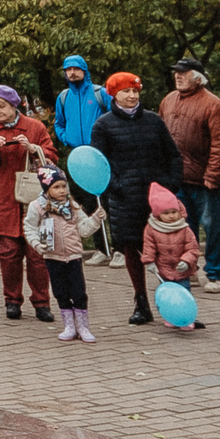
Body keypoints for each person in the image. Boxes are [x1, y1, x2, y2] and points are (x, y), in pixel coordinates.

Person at [87, 73, 181, 325]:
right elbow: (98, 165)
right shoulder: (103, 125)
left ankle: (173, 302)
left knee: (166, 248)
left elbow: (172, 155)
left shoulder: (153, 121)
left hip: (157, 198)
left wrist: (170, 185)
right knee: (132, 249)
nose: (132, 96)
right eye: (126, 91)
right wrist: (116, 187)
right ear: (113, 95)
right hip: (125, 198)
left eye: (135, 91)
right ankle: (141, 303)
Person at [0, 85, 53, 321]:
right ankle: (12, 301)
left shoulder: (35, 127)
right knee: (8, 253)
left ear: (14, 105)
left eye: (1, 107)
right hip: (2, 197)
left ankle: (42, 303)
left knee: (37, 254)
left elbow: (52, 157)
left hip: (33, 200)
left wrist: (34, 149)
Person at [160, 59, 220, 291]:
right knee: (182, 228)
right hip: (177, 179)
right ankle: (188, 269)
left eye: (184, 73)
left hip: (205, 180)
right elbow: (161, 138)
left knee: (213, 227)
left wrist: (213, 177)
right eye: (176, 73)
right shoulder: (168, 101)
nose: (178, 76)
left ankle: (215, 273)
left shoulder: (213, 104)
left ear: (197, 77)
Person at [25, 169, 104, 342]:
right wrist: (38, 244)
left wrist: (96, 219)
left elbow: (83, 230)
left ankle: (83, 326)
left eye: (64, 186)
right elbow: (29, 228)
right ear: (47, 189)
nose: (62, 191)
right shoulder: (37, 207)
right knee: (60, 291)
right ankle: (69, 325)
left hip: (73, 256)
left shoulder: (73, 207)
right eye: (57, 187)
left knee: (78, 292)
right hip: (53, 258)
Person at [141, 185, 204, 331]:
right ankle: (170, 316)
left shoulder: (184, 228)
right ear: (157, 214)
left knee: (184, 293)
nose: (171, 216)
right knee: (168, 295)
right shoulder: (151, 229)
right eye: (167, 213)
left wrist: (187, 260)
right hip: (163, 269)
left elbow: (193, 248)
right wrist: (149, 261)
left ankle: (187, 317)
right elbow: (149, 246)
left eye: (174, 212)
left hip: (181, 269)